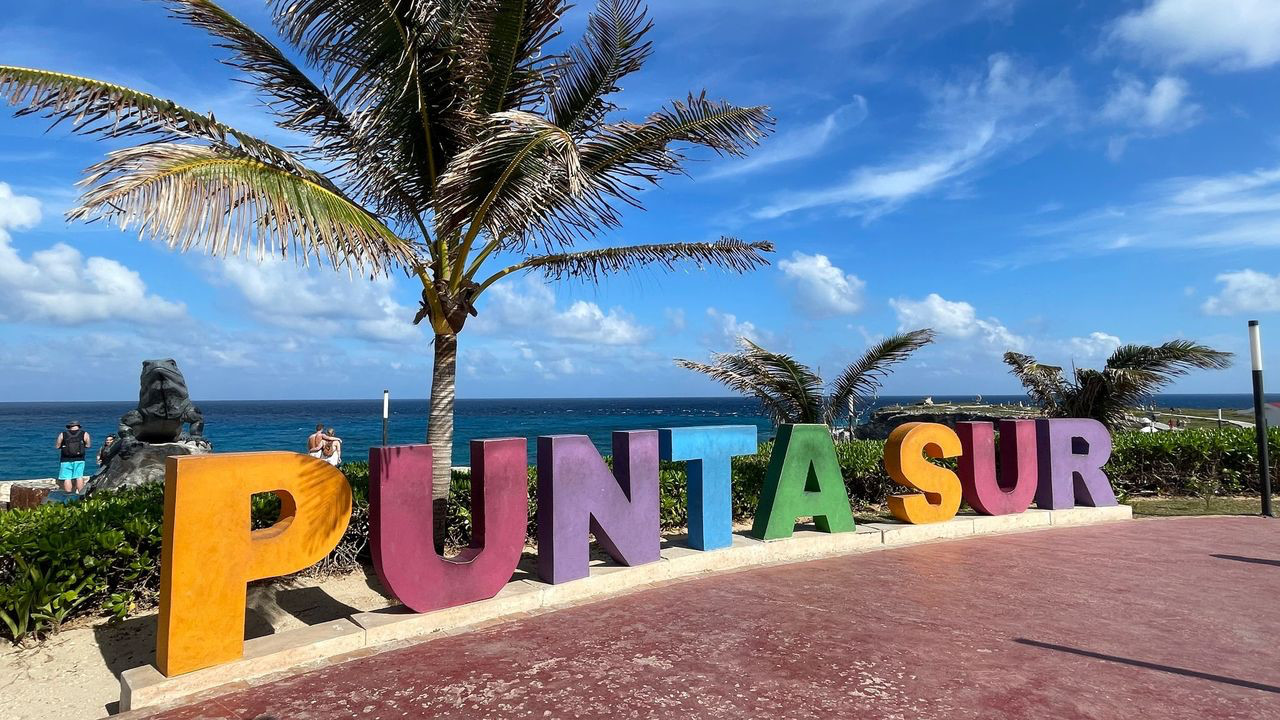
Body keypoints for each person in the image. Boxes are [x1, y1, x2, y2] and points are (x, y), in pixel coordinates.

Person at [55, 421, 91, 494]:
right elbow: (88, 445)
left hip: (66, 459)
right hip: (79, 459)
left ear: (69, 427)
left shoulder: (63, 434)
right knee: (79, 477)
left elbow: (57, 446)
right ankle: (81, 495)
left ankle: (69, 496)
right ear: (78, 426)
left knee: (67, 478)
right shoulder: (85, 434)